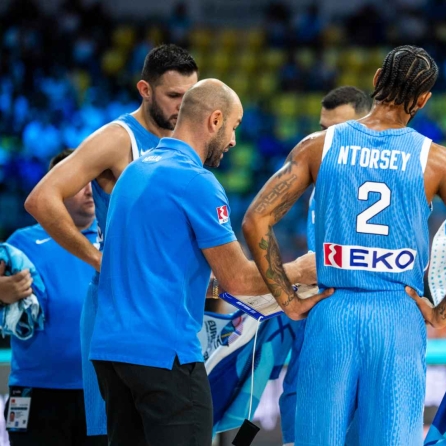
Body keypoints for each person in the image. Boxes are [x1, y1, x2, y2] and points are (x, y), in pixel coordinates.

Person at [242, 45, 446, 445]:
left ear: (377, 79)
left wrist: (288, 300)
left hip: (333, 311)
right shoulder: (437, 160)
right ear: (423, 100)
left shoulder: (318, 145)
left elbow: (255, 220)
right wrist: (442, 313)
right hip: (398, 317)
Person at [87, 79, 320, 446]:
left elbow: (151, 266)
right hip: (164, 353)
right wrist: (300, 270)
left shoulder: (133, 171)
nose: (234, 140)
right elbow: (238, 280)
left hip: (110, 353)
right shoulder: (197, 182)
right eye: (234, 126)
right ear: (215, 120)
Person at [24, 44, 199, 438]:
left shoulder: (186, 142)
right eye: (174, 96)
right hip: (118, 307)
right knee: (118, 433)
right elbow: (41, 199)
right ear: (145, 90)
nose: (183, 107)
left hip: (169, 306)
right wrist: (98, 259)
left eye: (191, 97)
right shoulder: (119, 139)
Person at [279, 85, 372, 446]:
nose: (326, 141)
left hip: (360, 318)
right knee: (298, 415)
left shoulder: (378, 183)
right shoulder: (316, 173)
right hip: (314, 311)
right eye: (322, 130)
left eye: (338, 131)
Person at [2, 150, 101, 446]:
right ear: (54, 187)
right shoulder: (21, 243)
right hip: (35, 390)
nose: (89, 189)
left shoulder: (114, 240)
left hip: (101, 391)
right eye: (78, 182)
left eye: (93, 180)